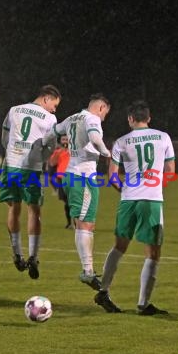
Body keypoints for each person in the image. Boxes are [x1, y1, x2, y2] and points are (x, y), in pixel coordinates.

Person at [94, 100, 175, 315]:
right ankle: (143, 304)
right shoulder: (164, 137)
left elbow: (112, 176)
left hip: (128, 200)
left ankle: (103, 290)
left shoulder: (121, 142)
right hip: (151, 200)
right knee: (153, 253)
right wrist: (155, 186)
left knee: (119, 246)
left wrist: (125, 190)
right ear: (149, 118)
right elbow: (171, 171)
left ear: (130, 119)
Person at [43, 93, 112, 290]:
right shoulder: (92, 119)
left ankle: (88, 270)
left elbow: (51, 132)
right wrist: (107, 153)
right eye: (105, 112)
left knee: (85, 223)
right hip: (82, 177)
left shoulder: (72, 118)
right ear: (100, 108)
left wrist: (42, 145)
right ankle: (87, 271)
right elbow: (94, 137)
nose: (104, 117)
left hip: (71, 175)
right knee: (84, 224)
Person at [0, 85, 61, 279]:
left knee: (13, 208)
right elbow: (51, 146)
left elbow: (4, 137)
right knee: (34, 210)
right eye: (54, 104)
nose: (54, 109)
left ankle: (17, 254)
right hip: (31, 167)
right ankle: (33, 257)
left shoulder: (14, 110)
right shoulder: (50, 119)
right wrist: (40, 158)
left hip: (11, 165)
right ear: (45, 99)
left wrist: (13, 152)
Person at [48, 135, 72, 229]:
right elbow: (52, 163)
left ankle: (76, 223)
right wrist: (58, 154)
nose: (65, 141)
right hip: (61, 177)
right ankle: (69, 223)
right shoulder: (58, 152)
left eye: (67, 139)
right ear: (60, 141)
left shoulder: (74, 151)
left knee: (73, 201)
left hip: (72, 177)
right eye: (63, 139)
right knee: (66, 202)